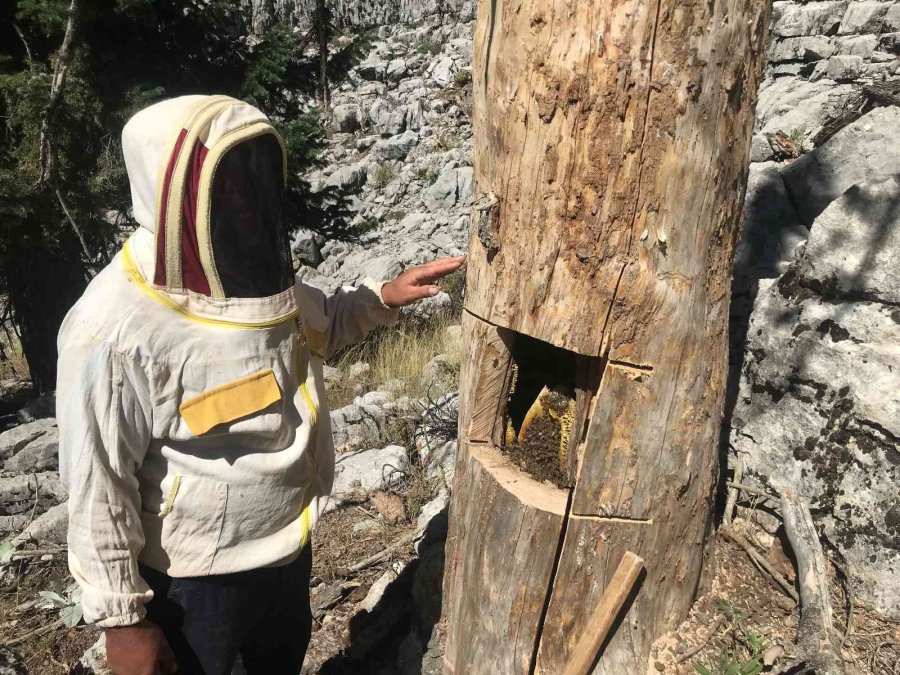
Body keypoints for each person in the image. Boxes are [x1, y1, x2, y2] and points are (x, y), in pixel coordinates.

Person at [56, 95, 464, 675]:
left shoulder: (250, 274)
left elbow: (318, 324)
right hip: (193, 586)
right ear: (174, 193)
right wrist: (124, 621)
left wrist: (381, 298)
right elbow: (98, 485)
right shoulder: (112, 330)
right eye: (229, 186)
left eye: (253, 182)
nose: (245, 201)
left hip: (288, 551)